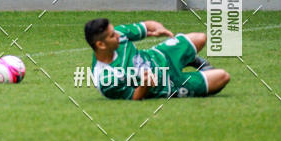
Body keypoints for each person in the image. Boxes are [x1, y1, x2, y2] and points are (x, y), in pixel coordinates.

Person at [84, 18, 230, 100]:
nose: (117, 35)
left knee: (200, 38)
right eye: (112, 36)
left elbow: (148, 25)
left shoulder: (118, 34)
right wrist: (145, 84)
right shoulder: (106, 79)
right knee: (223, 77)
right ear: (101, 44)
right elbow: (134, 97)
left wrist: (159, 28)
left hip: (160, 55)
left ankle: (189, 60)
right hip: (167, 84)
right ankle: (192, 70)